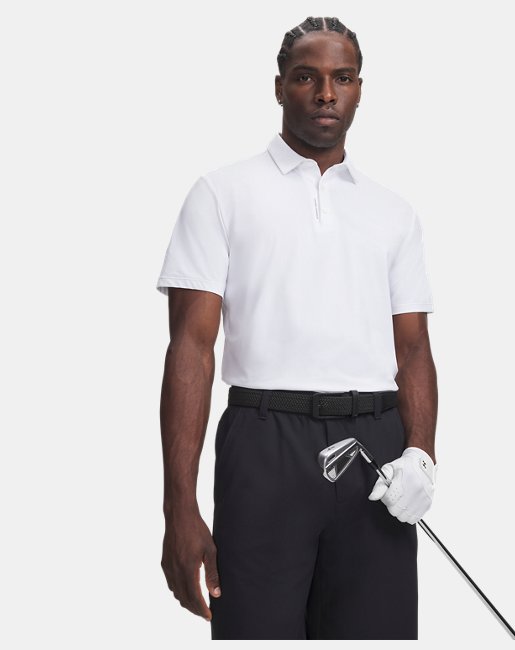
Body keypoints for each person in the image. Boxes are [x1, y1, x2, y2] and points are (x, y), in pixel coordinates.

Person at [157, 16, 438, 640]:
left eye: (343, 78)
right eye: (307, 77)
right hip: (264, 445)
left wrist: (421, 455)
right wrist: (179, 506)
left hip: (374, 450)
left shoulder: (393, 213)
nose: (326, 94)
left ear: (360, 88)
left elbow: (414, 348)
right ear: (279, 86)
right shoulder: (221, 193)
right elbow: (191, 349)